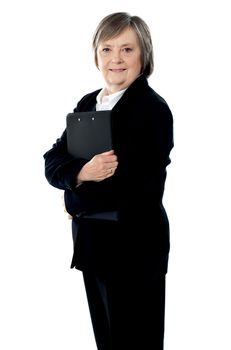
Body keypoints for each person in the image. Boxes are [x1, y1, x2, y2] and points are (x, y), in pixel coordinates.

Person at [43, 12, 174, 350]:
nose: (116, 59)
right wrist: (82, 173)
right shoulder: (89, 103)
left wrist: (73, 200)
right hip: (93, 247)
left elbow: (137, 191)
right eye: (107, 49)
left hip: (135, 252)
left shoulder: (152, 110)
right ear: (96, 55)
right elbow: (53, 161)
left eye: (127, 49)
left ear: (143, 56)